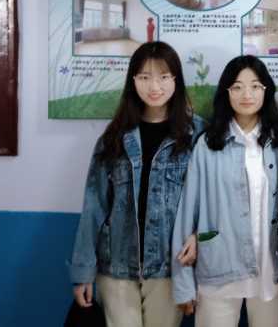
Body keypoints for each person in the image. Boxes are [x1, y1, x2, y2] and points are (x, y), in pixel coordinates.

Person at [69, 41, 205, 327]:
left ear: (176, 80)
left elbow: (212, 202)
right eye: (145, 77)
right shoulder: (114, 137)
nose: (154, 86)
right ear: (133, 81)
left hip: (170, 269)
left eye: (163, 77)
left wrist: (199, 236)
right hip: (116, 268)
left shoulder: (196, 135)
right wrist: (83, 273)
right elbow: (94, 206)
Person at [172, 55, 278, 327]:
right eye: (237, 87)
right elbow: (188, 212)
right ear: (226, 92)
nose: (247, 94)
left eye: (255, 86)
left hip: (271, 269)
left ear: (266, 90)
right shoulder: (208, 144)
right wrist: (183, 282)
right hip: (219, 268)